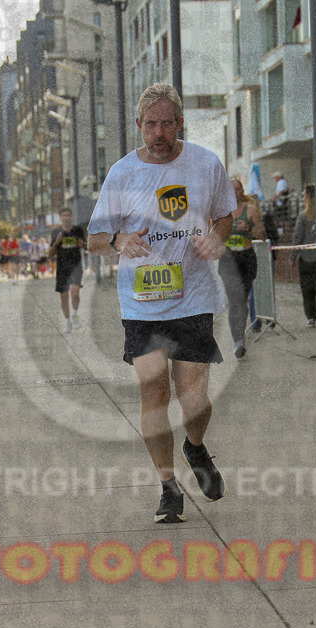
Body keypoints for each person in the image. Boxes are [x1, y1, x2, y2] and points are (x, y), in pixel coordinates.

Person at [87, 83, 235, 524]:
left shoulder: (205, 164)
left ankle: (195, 447)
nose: (159, 132)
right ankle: (168, 488)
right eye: (151, 124)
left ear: (179, 123)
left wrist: (216, 238)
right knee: (154, 392)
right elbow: (93, 238)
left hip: (192, 297)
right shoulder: (122, 173)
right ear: (138, 126)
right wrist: (118, 239)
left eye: (167, 123)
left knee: (196, 399)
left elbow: (226, 214)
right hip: (143, 303)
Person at [220, 178, 267, 357]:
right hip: (228, 259)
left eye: (237, 189)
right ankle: (238, 340)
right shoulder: (220, 212)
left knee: (242, 300)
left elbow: (262, 235)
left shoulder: (251, 210)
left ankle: (240, 335)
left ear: (242, 191)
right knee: (234, 301)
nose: (234, 193)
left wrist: (248, 228)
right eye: (231, 190)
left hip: (246, 258)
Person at [49, 207, 86, 332]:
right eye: (63, 215)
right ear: (60, 218)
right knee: (64, 297)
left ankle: (75, 315)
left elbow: (86, 246)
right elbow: (51, 253)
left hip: (76, 266)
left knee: (74, 293)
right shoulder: (55, 233)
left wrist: (83, 245)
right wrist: (56, 243)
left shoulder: (78, 230)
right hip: (62, 268)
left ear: (71, 217)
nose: (66, 217)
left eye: (68, 215)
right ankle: (67, 321)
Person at [291, 184, 316, 326]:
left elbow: (298, 238)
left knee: (307, 289)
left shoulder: (303, 216)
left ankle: (311, 317)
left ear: (308, 197)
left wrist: (293, 257)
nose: (302, 198)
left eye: (303, 195)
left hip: (307, 259)